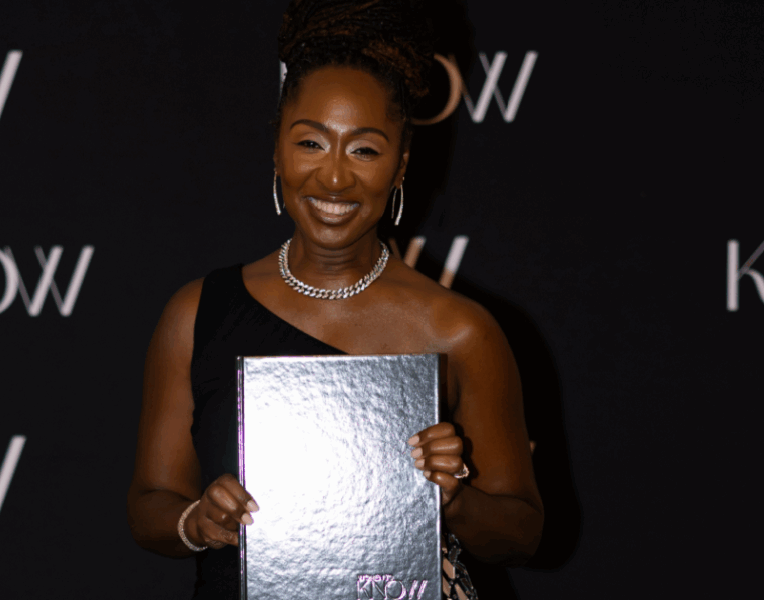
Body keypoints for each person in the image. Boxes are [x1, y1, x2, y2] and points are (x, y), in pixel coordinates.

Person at [127, 1, 542, 598]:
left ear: (400, 166)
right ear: (277, 149)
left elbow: (521, 534)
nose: (335, 178)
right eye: (311, 143)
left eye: (365, 150)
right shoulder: (196, 313)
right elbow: (149, 504)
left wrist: (451, 499)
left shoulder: (459, 330)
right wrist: (195, 521)